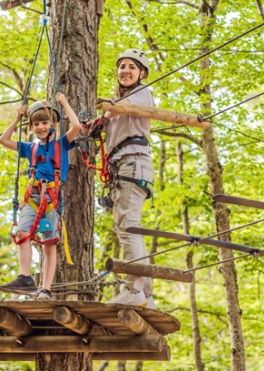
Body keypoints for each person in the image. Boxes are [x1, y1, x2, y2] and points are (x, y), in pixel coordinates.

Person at [85, 49, 156, 308]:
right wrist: (96, 125)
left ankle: (135, 290)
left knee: (129, 229)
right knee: (127, 229)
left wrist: (103, 117)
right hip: (124, 167)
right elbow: (112, 115)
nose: (125, 70)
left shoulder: (141, 92)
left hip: (133, 163)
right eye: (122, 66)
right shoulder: (119, 103)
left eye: (132, 67)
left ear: (142, 74)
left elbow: (115, 110)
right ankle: (144, 295)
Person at [0, 93, 80, 300]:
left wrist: (64, 103)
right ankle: (25, 278)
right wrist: (17, 119)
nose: (40, 127)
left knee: (49, 244)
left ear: (53, 124)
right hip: (33, 197)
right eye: (36, 124)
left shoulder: (61, 144)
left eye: (45, 123)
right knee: (21, 233)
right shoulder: (30, 148)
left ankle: (46, 289)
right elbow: (4, 140)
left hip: (51, 199)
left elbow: (77, 127)